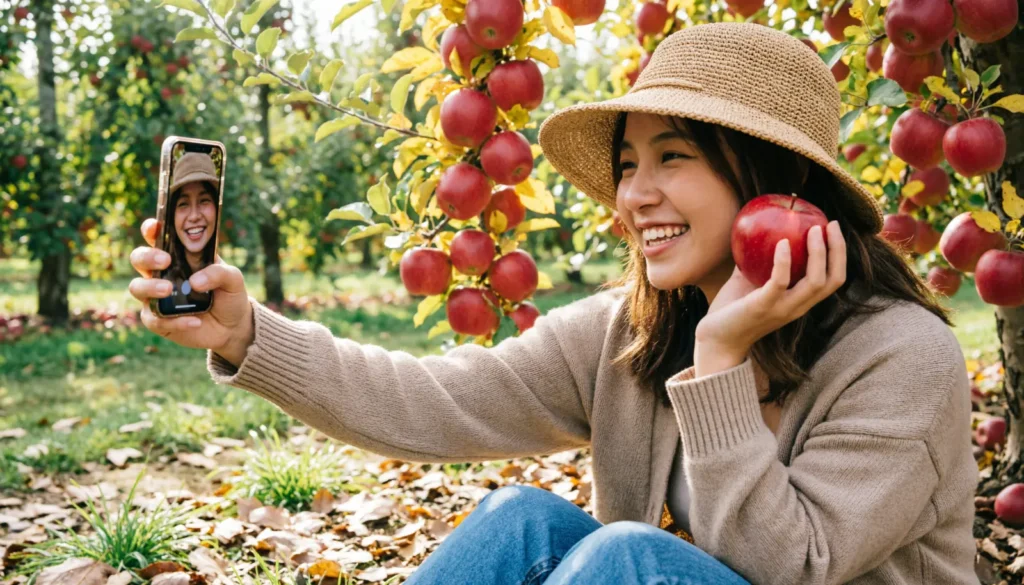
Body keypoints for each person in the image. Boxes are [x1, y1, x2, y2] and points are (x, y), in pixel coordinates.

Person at [128, 23, 980, 585]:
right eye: (627, 165)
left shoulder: (899, 358)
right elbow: (435, 399)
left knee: (626, 558)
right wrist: (248, 334)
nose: (631, 197)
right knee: (518, 518)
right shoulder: (638, 331)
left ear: (775, 179)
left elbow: (792, 564)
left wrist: (721, 360)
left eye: (672, 157)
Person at [156, 151, 220, 314]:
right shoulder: (162, 281)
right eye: (183, 204)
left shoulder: (227, 281)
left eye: (204, 201)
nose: (194, 216)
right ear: (172, 216)